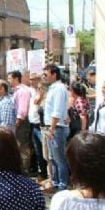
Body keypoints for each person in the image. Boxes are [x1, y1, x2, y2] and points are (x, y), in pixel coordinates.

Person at [43, 64, 70, 193]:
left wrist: (52, 129)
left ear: (54, 74)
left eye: (46, 74)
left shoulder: (59, 88)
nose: (44, 77)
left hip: (57, 128)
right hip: (52, 127)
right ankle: (55, 182)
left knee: (59, 159)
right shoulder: (52, 88)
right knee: (53, 158)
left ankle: (62, 185)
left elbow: (57, 111)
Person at [8, 70, 32, 172]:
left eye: (9, 78)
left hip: (22, 122)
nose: (8, 80)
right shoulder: (16, 91)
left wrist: (17, 122)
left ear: (16, 78)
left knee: (22, 146)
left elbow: (22, 110)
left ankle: (24, 170)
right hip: (18, 121)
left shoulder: (23, 91)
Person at [28, 73, 49, 181]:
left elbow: (38, 104)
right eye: (30, 79)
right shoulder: (31, 92)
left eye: (34, 79)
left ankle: (50, 177)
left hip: (42, 126)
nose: (31, 81)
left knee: (46, 152)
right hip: (33, 125)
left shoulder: (45, 95)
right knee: (38, 151)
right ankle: (43, 174)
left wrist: (41, 95)